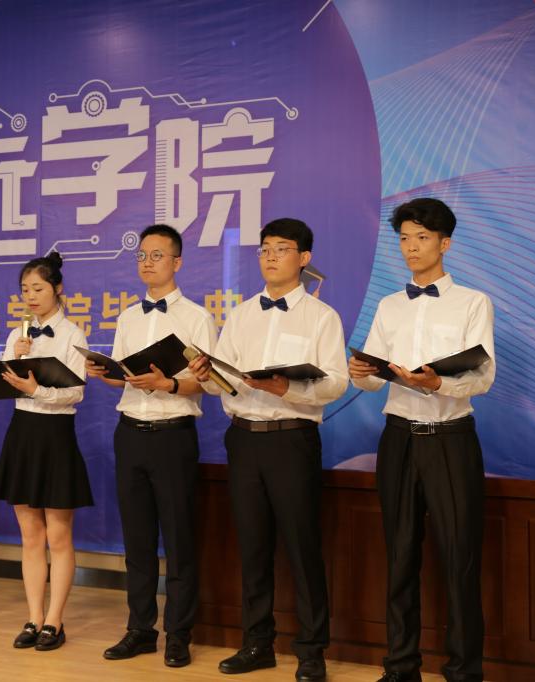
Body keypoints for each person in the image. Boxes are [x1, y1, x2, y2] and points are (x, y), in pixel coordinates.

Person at [190, 218, 347, 681]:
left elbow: (336, 383)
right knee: (252, 545)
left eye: (281, 248)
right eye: (264, 249)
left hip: (291, 438)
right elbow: (225, 385)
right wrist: (208, 376)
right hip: (243, 439)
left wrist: (287, 388)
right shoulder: (241, 315)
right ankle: (257, 643)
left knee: (302, 545)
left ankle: (312, 650)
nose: (271, 256)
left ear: (304, 258)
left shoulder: (322, 316)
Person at [348, 198, 494, 682]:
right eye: (405, 239)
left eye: (422, 238)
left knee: (460, 558)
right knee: (400, 554)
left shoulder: (473, 302)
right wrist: (360, 372)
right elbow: (374, 380)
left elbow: (483, 376)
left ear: (445, 243)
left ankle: (464, 671)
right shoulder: (389, 305)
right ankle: (400, 667)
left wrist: (438, 383)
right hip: (398, 438)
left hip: (451, 439)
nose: (411, 247)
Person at [86, 224, 218, 668]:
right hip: (130, 433)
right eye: (142, 255)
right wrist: (107, 373)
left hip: (173, 435)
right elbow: (126, 376)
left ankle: (179, 633)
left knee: (178, 538)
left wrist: (168, 384)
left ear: (177, 262)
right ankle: (140, 629)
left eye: (157, 255)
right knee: (137, 540)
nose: (147, 262)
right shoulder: (128, 317)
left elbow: (208, 382)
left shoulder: (197, 318)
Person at [0, 251, 94, 651]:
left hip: (55, 433)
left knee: (58, 535)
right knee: (30, 536)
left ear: (58, 288)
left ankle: (55, 620)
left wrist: (37, 390)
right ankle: (33, 617)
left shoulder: (72, 334)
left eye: (38, 288)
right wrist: (13, 358)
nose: (30, 296)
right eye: (25, 290)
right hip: (22, 432)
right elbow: (1, 384)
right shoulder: (17, 334)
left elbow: (76, 393)